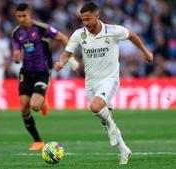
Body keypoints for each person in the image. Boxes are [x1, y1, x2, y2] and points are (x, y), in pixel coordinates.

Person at [54, 1, 153, 164]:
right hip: (91, 83)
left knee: (96, 106)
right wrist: (61, 62)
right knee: (103, 120)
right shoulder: (80, 34)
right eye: (82, 20)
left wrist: (146, 52)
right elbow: (67, 52)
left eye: (88, 19)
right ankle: (124, 150)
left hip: (110, 79)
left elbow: (132, 36)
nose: (85, 23)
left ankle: (113, 127)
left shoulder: (113, 31)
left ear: (97, 16)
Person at [11, 3, 79, 151]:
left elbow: (64, 38)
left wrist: (70, 59)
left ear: (30, 15)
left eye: (24, 16)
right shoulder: (16, 33)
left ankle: (42, 101)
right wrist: (16, 57)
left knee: (35, 106)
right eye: (19, 16)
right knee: (24, 108)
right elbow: (16, 53)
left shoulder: (42, 28)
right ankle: (38, 141)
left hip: (42, 72)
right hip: (26, 72)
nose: (22, 19)